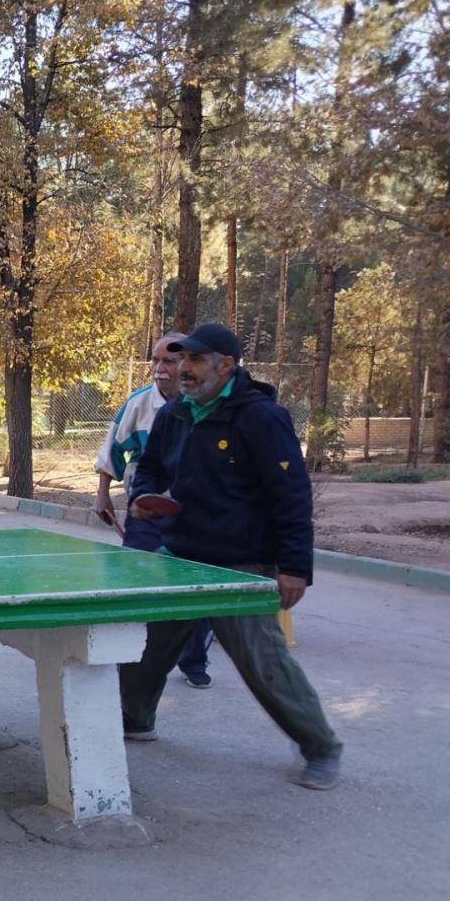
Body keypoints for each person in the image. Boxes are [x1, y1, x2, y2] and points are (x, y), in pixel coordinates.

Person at [120, 323, 344, 790]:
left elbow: (292, 496)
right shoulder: (175, 413)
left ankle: (321, 747)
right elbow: (152, 467)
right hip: (179, 555)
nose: (183, 369)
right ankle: (134, 718)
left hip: (241, 562)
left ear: (226, 365)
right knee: (146, 648)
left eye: (195, 360)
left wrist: (295, 567)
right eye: (182, 359)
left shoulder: (262, 418)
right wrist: (143, 496)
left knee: (263, 662)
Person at [93, 333, 213, 686]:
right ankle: (127, 657)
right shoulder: (138, 403)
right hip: (145, 512)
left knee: (196, 588)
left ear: (187, 364)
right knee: (134, 583)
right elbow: (113, 451)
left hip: (193, 516)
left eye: (169, 361)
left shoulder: (206, 405)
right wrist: (103, 495)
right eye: (155, 360)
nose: (160, 368)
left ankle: (194, 662)